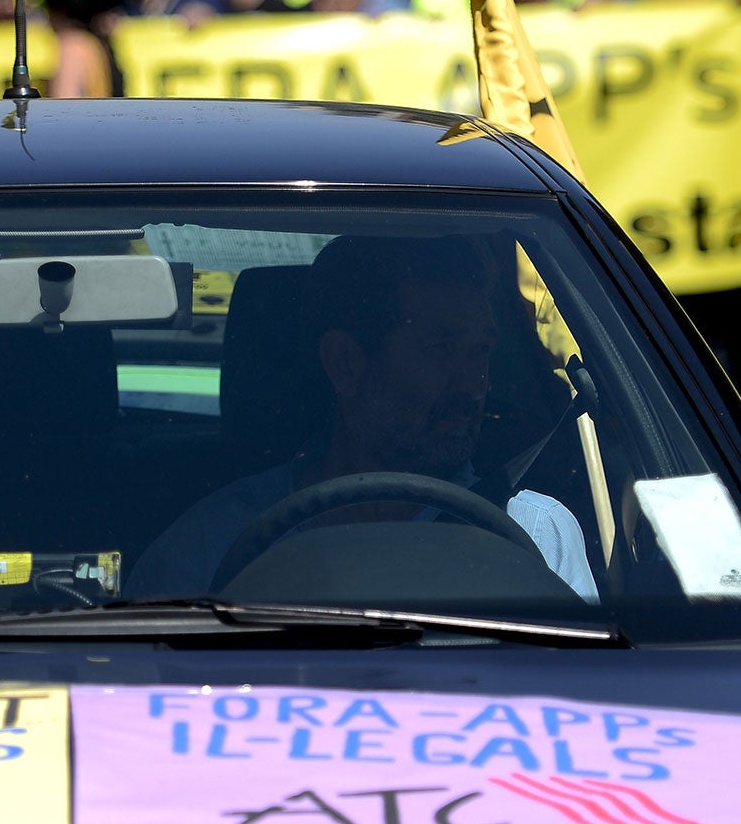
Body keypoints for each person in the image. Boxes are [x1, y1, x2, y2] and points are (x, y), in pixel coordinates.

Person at [129, 235, 598, 602]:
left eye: (481, 350)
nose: (474, 383)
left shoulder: (534, 534)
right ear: (346, 363)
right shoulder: (211, 545)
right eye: (441, 350)